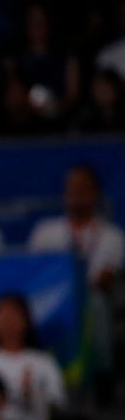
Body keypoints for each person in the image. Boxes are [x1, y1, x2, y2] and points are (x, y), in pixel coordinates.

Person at [28, 164, 124, 401]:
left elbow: (102, 279)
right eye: (71, 189)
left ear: (95, 194)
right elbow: (32, 276)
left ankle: (101, 374)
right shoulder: (44, 231)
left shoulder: (112, 235)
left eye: (83, 189)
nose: (76, 194)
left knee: (95, 303)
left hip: (88, 304)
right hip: (49, 303)